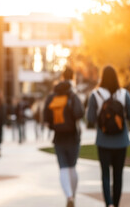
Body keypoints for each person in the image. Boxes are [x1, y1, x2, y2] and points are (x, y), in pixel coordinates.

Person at [86, 65, 130, 207]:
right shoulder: (124, 93)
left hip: (103, 140)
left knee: (105, 174)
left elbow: (90, 118)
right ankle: (116, 203)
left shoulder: (96, 94)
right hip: (121, 141)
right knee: (118, 175)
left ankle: (108, 203)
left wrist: (103, 119)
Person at [43, 67, 84, 207]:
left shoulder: (52, 96)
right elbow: (79, 113)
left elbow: (45, 116)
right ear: (72, 77)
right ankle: (73, 195)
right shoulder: (72, 94)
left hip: (58, 137)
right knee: (72, 167)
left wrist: (55, 125)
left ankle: (68, 195)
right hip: (73, 136)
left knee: (63, 168)